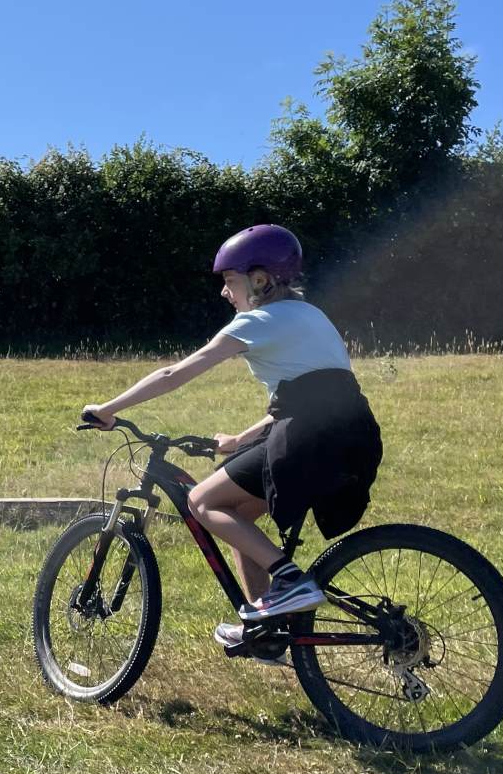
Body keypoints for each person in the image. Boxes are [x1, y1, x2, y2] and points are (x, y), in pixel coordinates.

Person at [81, 224, 383, 656]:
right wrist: (241, 438)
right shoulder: (312, 316)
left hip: (310, 437)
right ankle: (265, 631)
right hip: (355, 435)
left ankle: (289, 581)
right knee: (238, 513)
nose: (225, 293)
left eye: (229, 280)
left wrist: (109, 409)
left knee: (202, 501)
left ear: (259, 280)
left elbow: (174, 373)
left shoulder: (258, 321)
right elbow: (313, 393)